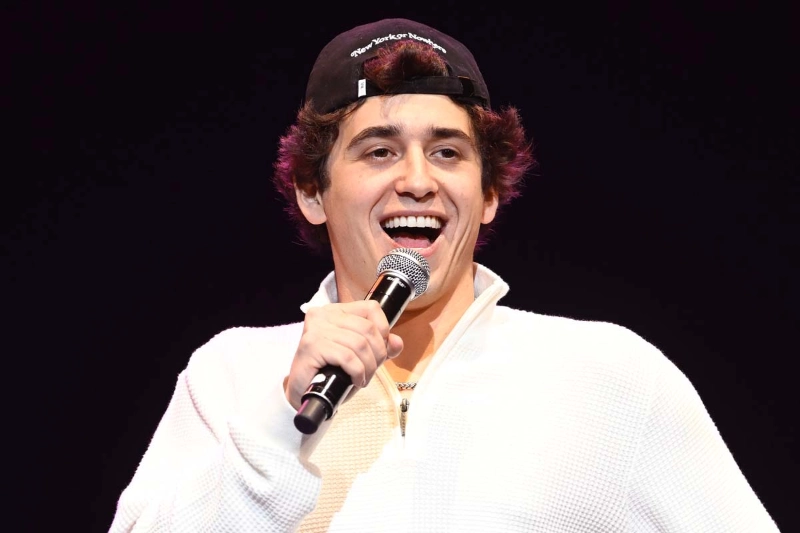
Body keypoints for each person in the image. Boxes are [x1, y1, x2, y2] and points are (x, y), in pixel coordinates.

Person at [109, 18, 779, 532]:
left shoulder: (615, 377)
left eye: (448, 152)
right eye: (380, 150)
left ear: (488, 193)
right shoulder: (230, 378)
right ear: (313, 191)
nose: (418, 181)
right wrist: (283, 420)